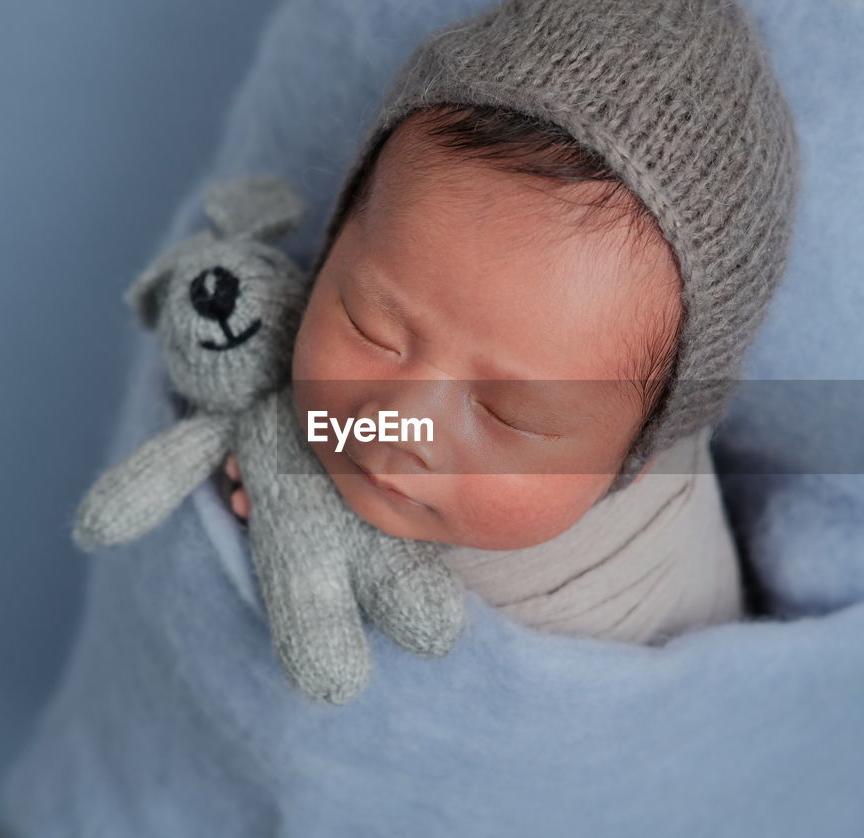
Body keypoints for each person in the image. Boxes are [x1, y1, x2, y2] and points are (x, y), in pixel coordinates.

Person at [221, 0, 798, 645]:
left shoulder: (628, 609)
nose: (402, 425)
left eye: (509, 414)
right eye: (369, 327)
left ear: (639, 457)